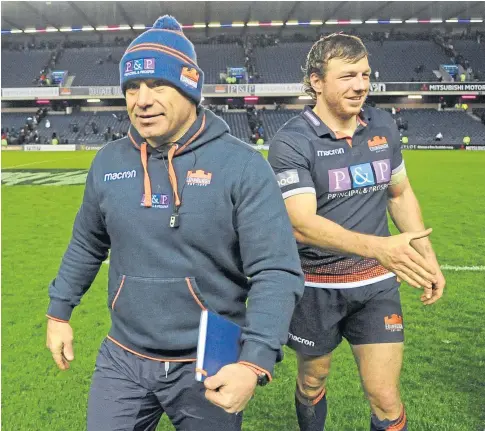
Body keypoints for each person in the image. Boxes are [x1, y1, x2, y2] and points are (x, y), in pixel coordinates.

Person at [45, 15, 304, 431]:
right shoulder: (108, 162)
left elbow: (276, 270)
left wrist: (253, 362)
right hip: (123, 357)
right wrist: (59, 313)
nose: (141, 100)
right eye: (132, 87)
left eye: (157, 85)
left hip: (208, 362)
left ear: (190, 88)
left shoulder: (241, 166)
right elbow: (87, 244)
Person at [268, 33, 446, 431]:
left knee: (385, 396)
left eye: (365, 74)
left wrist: (426, 255)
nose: (361, 84)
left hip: (377, 286)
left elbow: (399, 193)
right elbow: (300, 222)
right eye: (348, 75)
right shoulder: (292, 142)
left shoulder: (382, 124)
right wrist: (378, 246)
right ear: (317, 81)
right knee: (313, 380)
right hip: (316, 287)